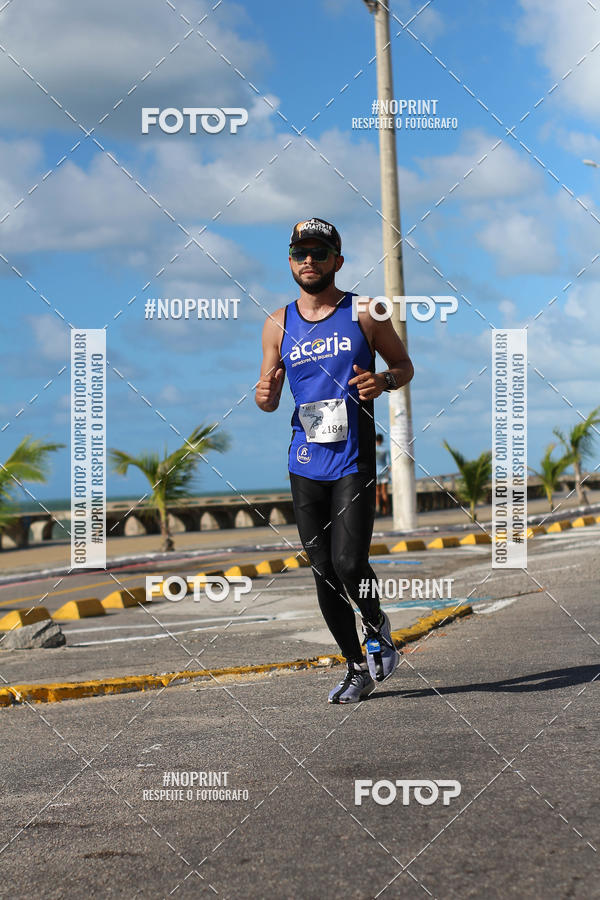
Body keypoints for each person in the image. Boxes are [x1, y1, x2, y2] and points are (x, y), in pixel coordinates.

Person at [255, 217, 414, 704]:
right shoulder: (277, 322)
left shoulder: (365, 312)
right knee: (321, 567)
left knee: (348, 561)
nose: (309, 260)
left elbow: (403, 367)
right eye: (300, 252)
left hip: (353, 457)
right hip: (304, 458)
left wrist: (381, 382)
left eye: (319, 253)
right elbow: (265, 397)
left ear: (337, 262)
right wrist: (266, 392)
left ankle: (376, 625)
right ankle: (354, 666)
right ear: (289, 261)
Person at [375, 433, 391, 517]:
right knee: (384, 492)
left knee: (377, 492)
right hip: (384, 472)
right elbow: (388, 464)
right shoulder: (385, 450)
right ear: (382, 440)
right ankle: (386, 509)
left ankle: (378, 509)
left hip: (376, 472)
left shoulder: (373, 449)